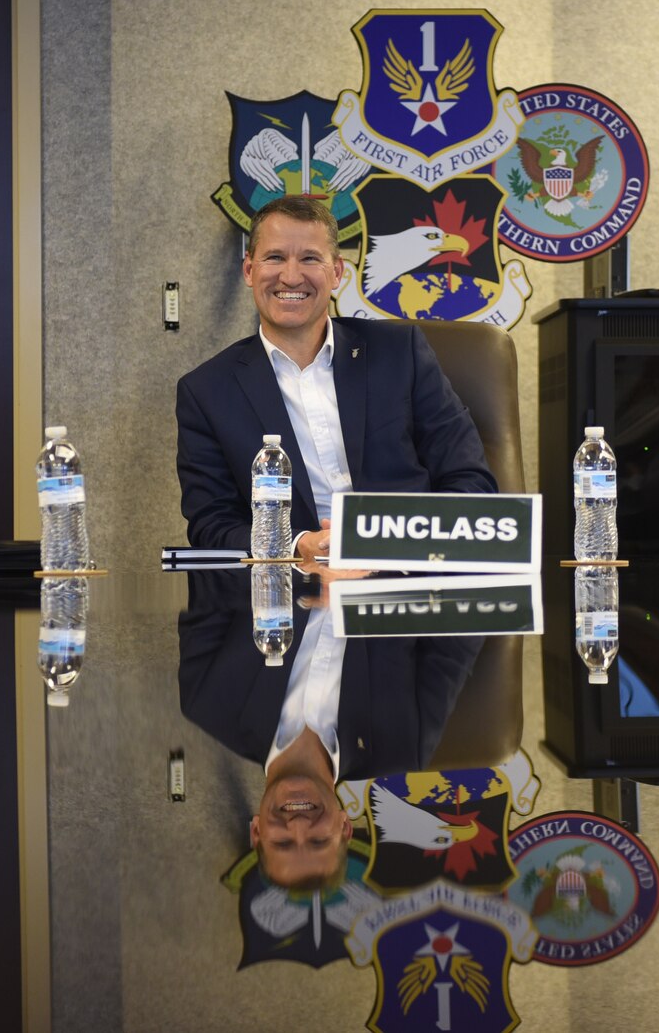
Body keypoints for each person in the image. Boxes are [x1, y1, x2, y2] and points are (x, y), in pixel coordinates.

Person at [176, 195, 497, 559]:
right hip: (293, 588)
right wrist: (296, 546)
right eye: (275, 257)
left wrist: (410, 542)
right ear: (249, 271)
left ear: (337, 272)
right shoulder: (207, 392)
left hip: (409, 578)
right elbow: (211, 524)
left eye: (310, 258)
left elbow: (471, 481)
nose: (291, 276)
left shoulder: (399, 353)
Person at [177, 568, 483, 889]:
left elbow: (213, 560)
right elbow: (466, 620)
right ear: (345, 828)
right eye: (319, 841)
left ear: (256, 833)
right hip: (395, 535)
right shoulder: (403, 743)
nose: (297, 826)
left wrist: (304, 567)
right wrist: (370, 584)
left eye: (282, 843)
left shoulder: (207, 699)